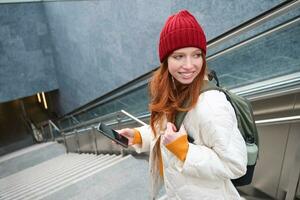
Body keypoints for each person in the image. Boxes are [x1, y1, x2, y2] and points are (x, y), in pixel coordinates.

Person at [117, 10, 247, 200]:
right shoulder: (175, 89)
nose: (189, 65)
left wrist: (184, 150)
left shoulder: (211, 106)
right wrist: (138, 136)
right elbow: (169, 131)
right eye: (179, 56)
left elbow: (235, 164)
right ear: (166, 60)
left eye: (196, 55)